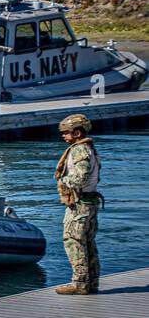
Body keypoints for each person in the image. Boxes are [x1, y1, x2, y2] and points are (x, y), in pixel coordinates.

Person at [54, 113, 102, 295]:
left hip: (80, 203)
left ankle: (80, 283)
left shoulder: (79, 150)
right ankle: (92, 281)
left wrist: (64, 181)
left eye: (67, 132)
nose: (63, 135)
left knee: (73, 240)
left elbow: (81, 177)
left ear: (77, 133)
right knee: (88, 242)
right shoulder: (90, 148)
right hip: (90, 201)